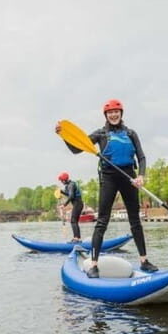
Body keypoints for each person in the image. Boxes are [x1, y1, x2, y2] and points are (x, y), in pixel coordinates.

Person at [55, 98, 158, 278]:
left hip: (129, 177)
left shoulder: (131, 133)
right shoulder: (101, 134)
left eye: (116, 112)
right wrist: (64, 137)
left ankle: (144, 261)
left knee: (135, 220)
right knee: (102, 220)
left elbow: (141, 157)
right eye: (110, 112)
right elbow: (76, 149)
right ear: (106, 115)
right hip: (108, 178)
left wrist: (141, 175)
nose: (113, 114)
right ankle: (94, 265)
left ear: (121, 113)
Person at [58, 171, 83, 243]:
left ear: (64, 180)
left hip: (78, 204)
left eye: (61, 180)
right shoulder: (69, 185)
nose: (61, 182)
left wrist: (64, 205)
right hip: (77, 204)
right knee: (74, 221)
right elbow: (69, 194)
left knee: (73, 221)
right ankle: (78, 238)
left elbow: (71, 196)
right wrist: (61, 192)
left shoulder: (71, 185)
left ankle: (76, 238)